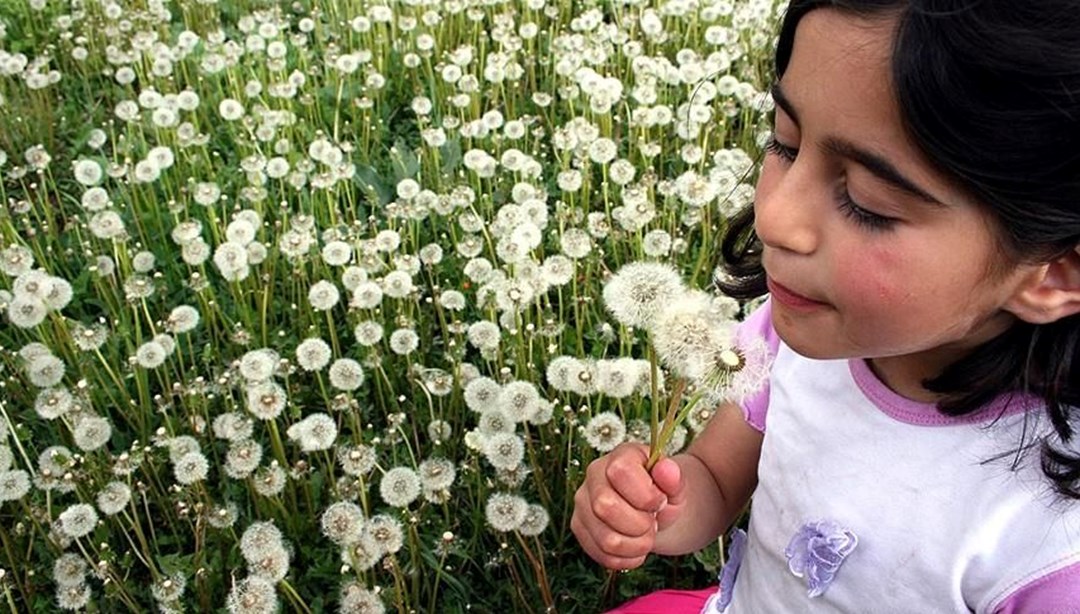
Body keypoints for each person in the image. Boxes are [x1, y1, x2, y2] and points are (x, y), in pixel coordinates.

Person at [570, 1, 1080, 611]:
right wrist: (656, 508)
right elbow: (712, 476)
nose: (775, 217)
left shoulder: (1049, 546)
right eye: (784, 144)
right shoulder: (794, 335)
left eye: (867, 201)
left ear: (1054, 274)